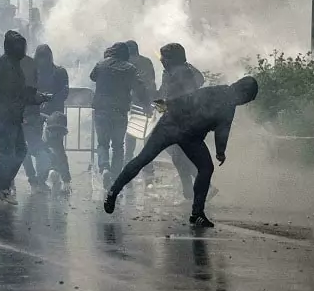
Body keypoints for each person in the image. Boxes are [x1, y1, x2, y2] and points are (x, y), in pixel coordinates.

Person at [104, 77, 259, 227]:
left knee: (147, 159)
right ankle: (114, 191)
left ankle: (196, 214)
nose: (245, 102)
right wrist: (220, 151)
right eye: (248, 99)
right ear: (243, 93)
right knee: (148, 159)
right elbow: (199, 107)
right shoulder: (224, 99)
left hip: (183, 131)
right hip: (177, 129)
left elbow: (198, 105)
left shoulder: (223, 97)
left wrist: (220, 151)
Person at [0, 31, 48, 205]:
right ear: (10, 48)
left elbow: (18, 93)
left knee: (20, 152)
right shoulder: (5, 65)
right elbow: (0, 93)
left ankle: (4, 188)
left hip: (11, 117)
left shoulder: (13, 64)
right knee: (7, 154)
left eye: (23, 46)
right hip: (2, 118)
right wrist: (30, 99)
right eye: (18, 46)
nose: (22, 49)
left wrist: (35, 98)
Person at [90, 42, 142, 190]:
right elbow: (139, 87)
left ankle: (104, 168)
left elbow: (92, 77)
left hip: (101, 109)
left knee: (102, 143)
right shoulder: (130, 68)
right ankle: (114, 175)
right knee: (118, 146)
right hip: (120, 110)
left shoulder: (101, 64)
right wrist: (146, 104)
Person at [158, 42, 207, 200]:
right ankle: (190, 189)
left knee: (178, 154)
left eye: (164, 57)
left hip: (182, 119)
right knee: (178, 155)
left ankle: (193, 188)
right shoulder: (175, 72)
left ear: (172, 59)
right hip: (178, 118)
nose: (161, 60)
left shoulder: (181, 72)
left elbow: (179, 95)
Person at [25, 44, 71, 193]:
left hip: (36, 114)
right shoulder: (60, 71)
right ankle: (57, 175)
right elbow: (64, 93)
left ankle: (42, 178)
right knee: (56, 146)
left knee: (40, 147)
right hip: (54, 117)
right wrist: (50, 101)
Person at [124, 39, 158, 162]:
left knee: (131, 132)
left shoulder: (126, 63)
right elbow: (152, 81)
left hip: (133, 102)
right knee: (147, 133)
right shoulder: (147, 61)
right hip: (148, 101)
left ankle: (127, 160)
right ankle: (148, 165)